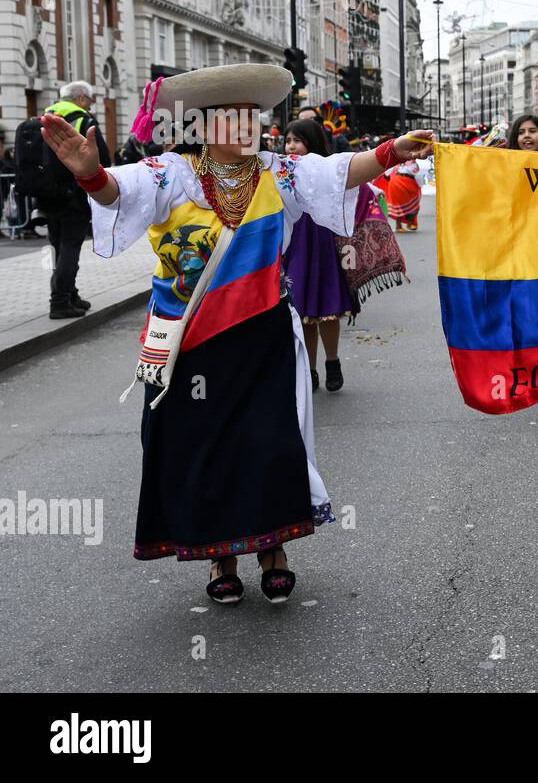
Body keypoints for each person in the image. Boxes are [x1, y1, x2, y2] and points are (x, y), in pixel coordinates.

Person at [38, 62, 435, 604]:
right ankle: (217, 557)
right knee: (199, 448)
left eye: (253, 116)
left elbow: (340, 170)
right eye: (232, 117)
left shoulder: (280, 173)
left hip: (262, 334)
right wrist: (90, 173)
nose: (248, 125)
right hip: (189, 340)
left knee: (267, 442)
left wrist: (393, 152)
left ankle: (274, 550)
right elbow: (115, 193)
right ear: (200, 126)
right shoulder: (169, 174)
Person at [282, 119, 354, 392]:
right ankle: (309, 370)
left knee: (329, 309)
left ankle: (332, 362)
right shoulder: (281, 172)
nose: (291, 146)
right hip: (296, 247)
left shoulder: (326, 169)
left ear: (311, 142)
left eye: (297, 140)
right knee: (302, 311)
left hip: (323, 244)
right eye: (288, 140)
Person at [41, 81, 112, 319]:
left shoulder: (47, 116)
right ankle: (60, 302)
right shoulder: (83, 119)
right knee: (71, 248)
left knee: (58, 246)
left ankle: (70, 294)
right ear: (81, 98)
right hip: (75, 193)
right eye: (90, 100)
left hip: (48, 194)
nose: (91, 105)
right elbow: (102, 156)